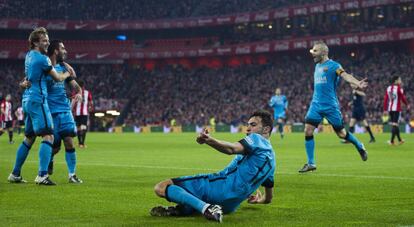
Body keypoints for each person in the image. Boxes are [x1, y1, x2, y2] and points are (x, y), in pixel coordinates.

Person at [150, 110, 276, 223]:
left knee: (161, 187)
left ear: (266, 129)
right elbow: (268, 199)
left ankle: (207, 209)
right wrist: (258, 201)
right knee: (189, 201)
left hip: (218, 189)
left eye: (253, 125)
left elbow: (231, 148)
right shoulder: (272, 163)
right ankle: (181, 210)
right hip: (229, 206)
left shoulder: (257, 139)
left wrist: (209, 140)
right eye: (248, 125)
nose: (247, 129)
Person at [7, 27, 74, 185]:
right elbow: (57, 78)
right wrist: (68, 73)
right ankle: (42, 175)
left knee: (29, 138)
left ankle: (15, 173)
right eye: (44, 40)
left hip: (27, 100)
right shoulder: (43, 59)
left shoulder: (29, 56)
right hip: (38, 99)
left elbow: (26, 79)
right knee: (49, 135)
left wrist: (23, 83)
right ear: (35, 42)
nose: (47, 43)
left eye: (48, 40)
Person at [299, 41, 368, 173]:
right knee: (308, 130)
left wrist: (357, 83)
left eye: (315, 51)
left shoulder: (334, 66)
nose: (313, 54)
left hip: (330, 106)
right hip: (316, 104)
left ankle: (359, 145)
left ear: (324, 52)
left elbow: (345, 75)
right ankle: (311, 163)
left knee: (341, 134)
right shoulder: (317, 66)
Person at [383, 76, 409, 145]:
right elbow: (403, 97)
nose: (400, 81)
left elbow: (385, 99)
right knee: (395, 125)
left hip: (390, 109)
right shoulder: (399, 89)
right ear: (396, 81)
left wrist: (385, 109)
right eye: (399, 80)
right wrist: (407, 104)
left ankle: (400, 140)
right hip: (397, 109)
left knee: (395, 125)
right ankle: (391, 141)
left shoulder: (388, 88)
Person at [72, 80, 93, 148]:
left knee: (78, 128)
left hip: (77, 113)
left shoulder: (75, 93)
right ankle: (82, 143)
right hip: (84, 113)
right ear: (83, 85)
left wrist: (72, 110)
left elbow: (73, 102)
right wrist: (90, 108)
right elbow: (91, 102)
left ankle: (79, 143)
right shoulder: (87, 93)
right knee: (83, 128)